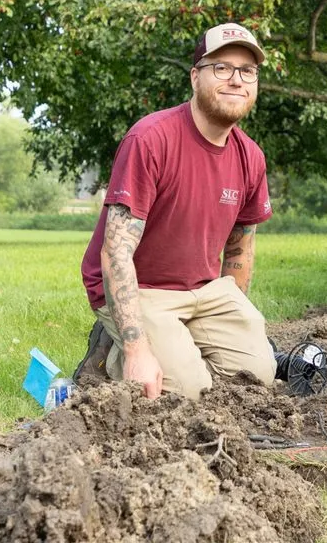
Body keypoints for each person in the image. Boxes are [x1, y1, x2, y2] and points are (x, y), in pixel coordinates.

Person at [73, 22, 276, 400]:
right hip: (141, 289)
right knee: (185, 391)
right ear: (195, 76)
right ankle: (110, 355)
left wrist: (232, 317)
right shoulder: (151, 140)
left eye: (247, 71)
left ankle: (181, 346)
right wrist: (137, 349)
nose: (236, 80)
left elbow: (239, 249)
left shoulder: (251, 157)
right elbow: (115, 250)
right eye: (222, 68)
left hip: (203, 290)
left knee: (258, 375)